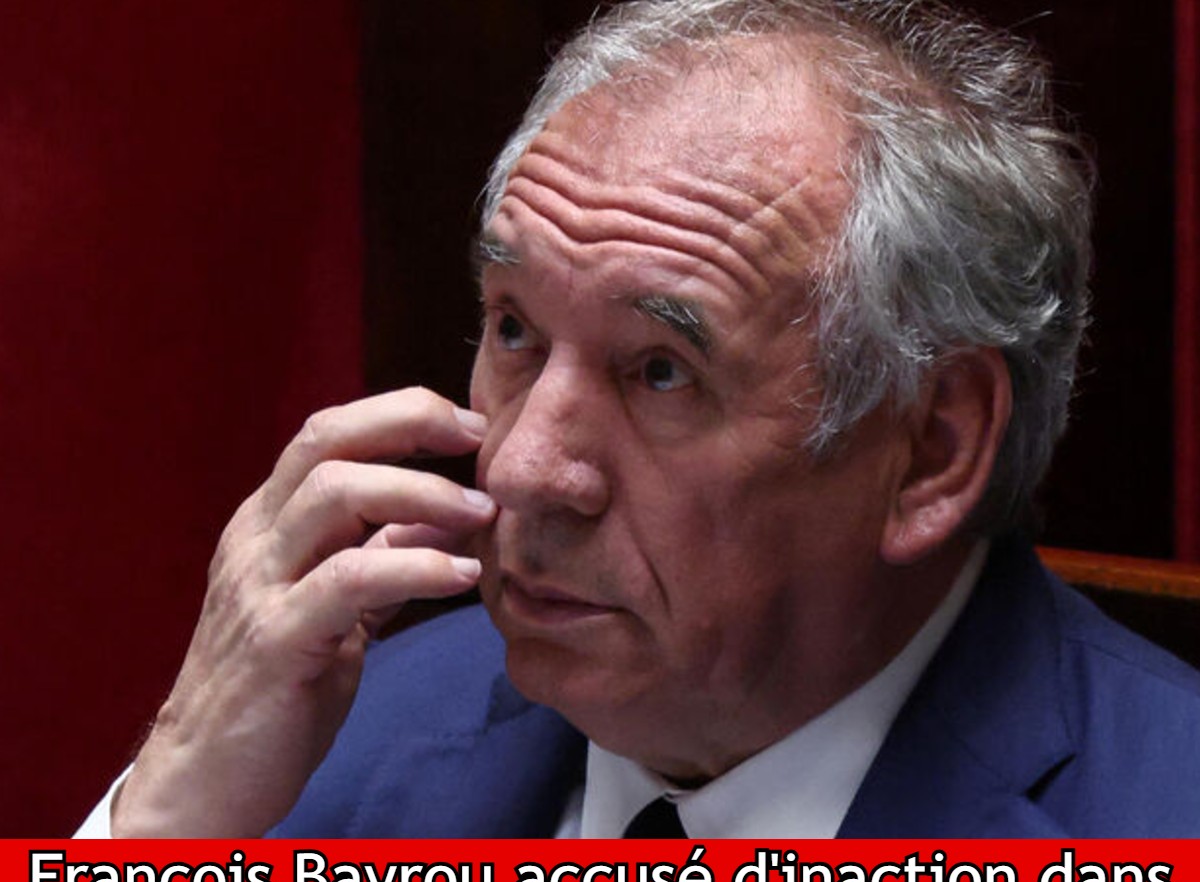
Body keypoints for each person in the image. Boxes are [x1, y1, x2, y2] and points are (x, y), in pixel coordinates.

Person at [81, 0, 1200, 839]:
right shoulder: (335, 739)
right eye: (514, 330)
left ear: (930, 450)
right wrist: (167, 815)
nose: (521, 467)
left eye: (661, 371)